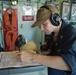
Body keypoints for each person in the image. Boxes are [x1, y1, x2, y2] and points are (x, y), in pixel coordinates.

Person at [16, 4, 76, 75]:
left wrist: (32, 57)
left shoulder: (70, 32)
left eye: (44, 24)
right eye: (40, 25)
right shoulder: (52, 33)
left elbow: (69, 64)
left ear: (55, 19)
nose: (41, 28)